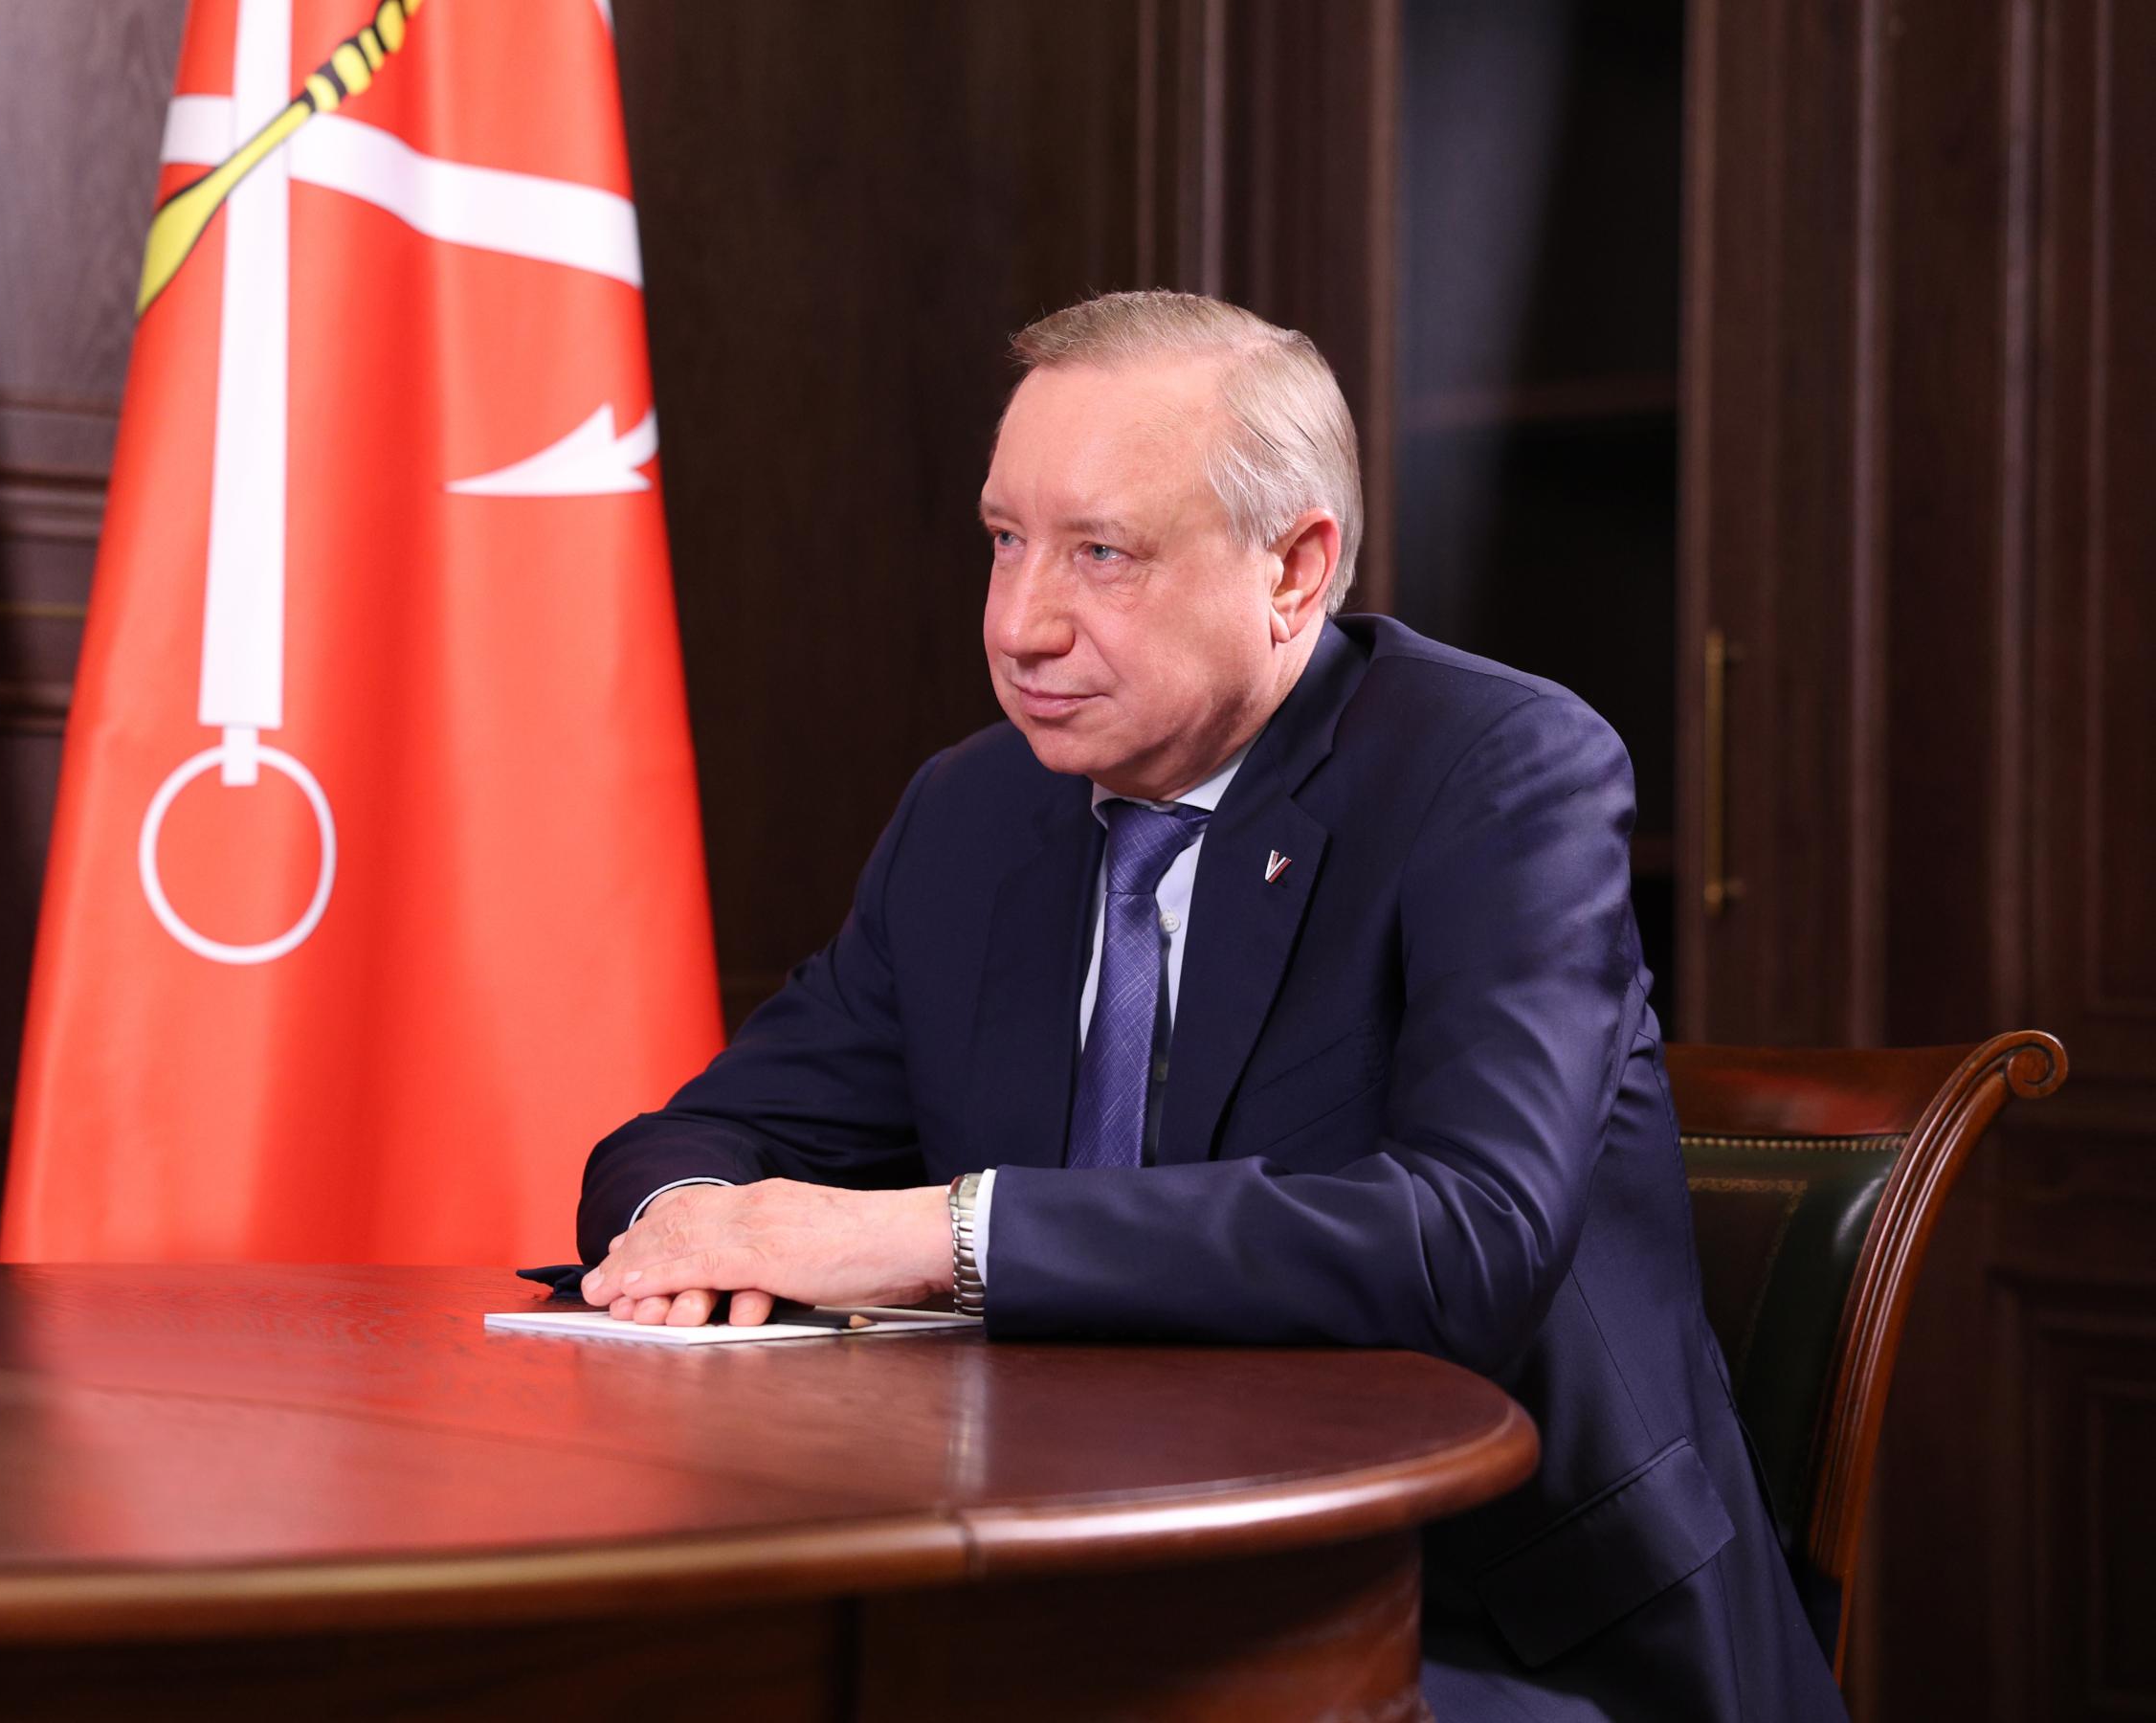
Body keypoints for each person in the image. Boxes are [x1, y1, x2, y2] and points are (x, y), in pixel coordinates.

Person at [574, 289, 1846, 1720]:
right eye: (1004, 541)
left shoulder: (1497, 773)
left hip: (1488, 1631)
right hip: (1066, 1592)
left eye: (1101, 553)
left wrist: (938, 1236)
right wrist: (695, 1233)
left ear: (1295, 570)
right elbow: (691, 1143)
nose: (1020, 625)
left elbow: (1467, 1241)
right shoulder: (973, 816)